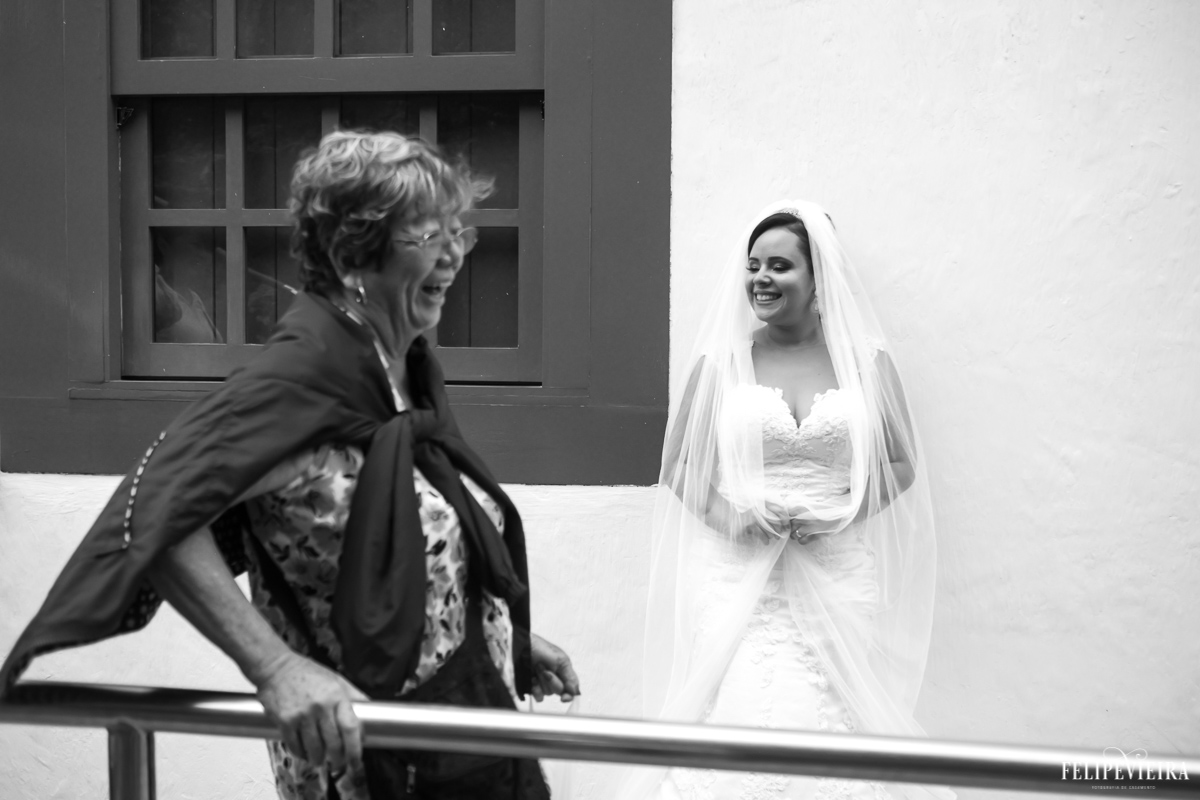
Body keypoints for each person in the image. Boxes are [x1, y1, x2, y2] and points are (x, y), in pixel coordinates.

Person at [0, 131, 579, 800]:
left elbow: (411, 538)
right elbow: (158, 512)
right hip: (368, 764)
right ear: (352, 254)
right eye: (429, 236)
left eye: (459, 233)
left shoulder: (398, 373)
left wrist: (494, 631)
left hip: (465, 727)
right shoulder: (297, 381)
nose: (453, 255)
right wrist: (273, 668)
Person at [618, 201, 953, 799]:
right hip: (738, 571)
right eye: (753, 266)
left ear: (819, 278)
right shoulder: (725, 360)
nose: (761, 279)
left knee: (830, 712)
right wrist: (730, 515)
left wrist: (842, 514)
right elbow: (679, 464)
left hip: (835, 570)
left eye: (780, 266)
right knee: (742, 705)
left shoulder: (867, 361)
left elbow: (901, 464)